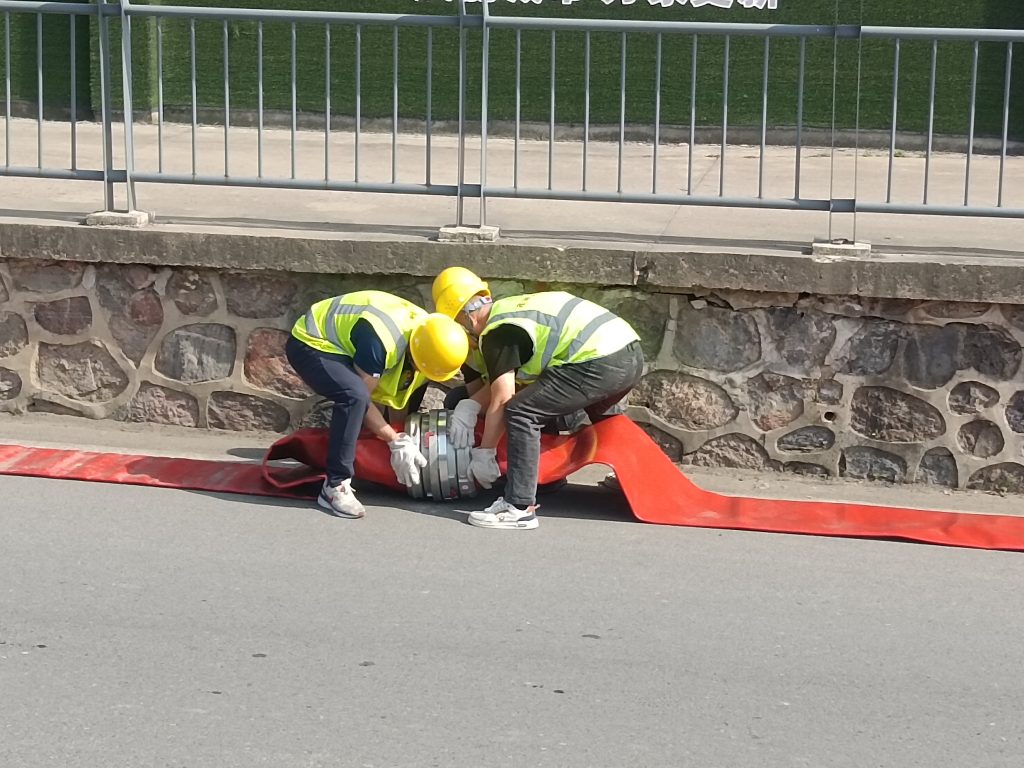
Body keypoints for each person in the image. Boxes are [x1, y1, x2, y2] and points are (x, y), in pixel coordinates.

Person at [432, 267, 644, 531]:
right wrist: (471, 404)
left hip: (600, 361)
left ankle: (518, 507)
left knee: (521, 411)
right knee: (589, 413)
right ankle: (636, 477)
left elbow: (503, 397)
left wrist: (485, 452)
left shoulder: (498, 333)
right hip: (628, 352)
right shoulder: (509, 311)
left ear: (466, 317)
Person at [286, 289, 469, 519]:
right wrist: (394, 440)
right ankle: (334, 485)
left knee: (361, 396)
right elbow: (363, 400)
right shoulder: (380, 342)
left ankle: (356, 460)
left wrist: (403, 436)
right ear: (416, 354)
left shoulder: (430, 336)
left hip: (349, 341)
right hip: (312, 342)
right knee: (353, 396)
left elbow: (402, 393)